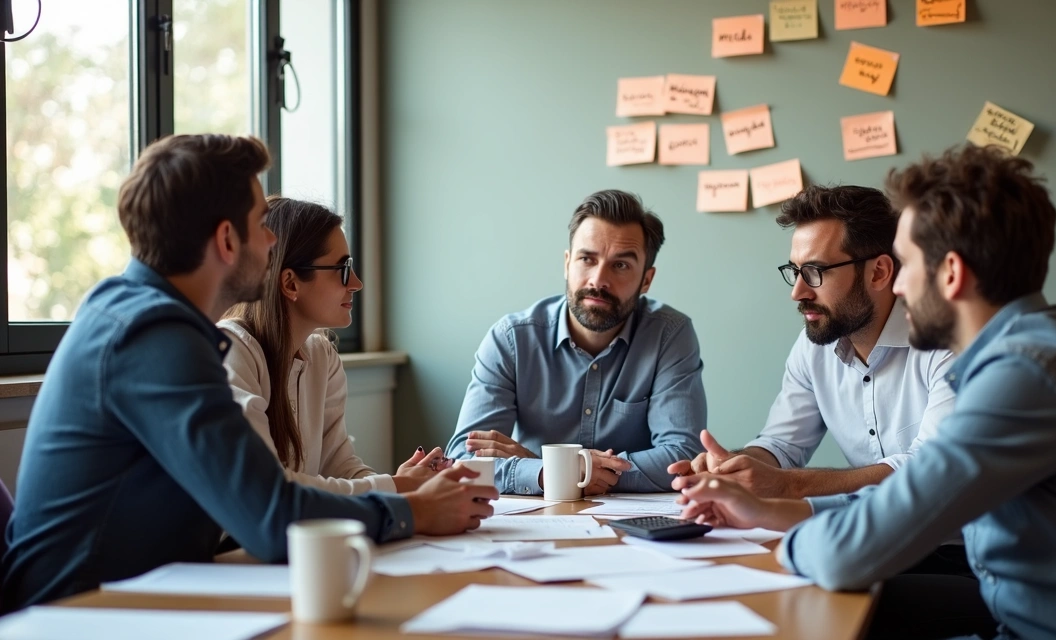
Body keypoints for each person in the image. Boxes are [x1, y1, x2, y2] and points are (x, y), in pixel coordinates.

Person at [677, 145, 1056, 639]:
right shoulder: (1034, 350)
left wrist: (782, 521)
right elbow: (908, 499)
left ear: (950, 273)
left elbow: (850, 552)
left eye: (906, 265)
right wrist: (767, 511)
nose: (899, 286)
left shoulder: (1024, 374)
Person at [1, 134, 495, 613]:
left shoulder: (144, 318)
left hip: (141, 598)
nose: (272, 239)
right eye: (263, 223)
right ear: (226, 239)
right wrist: (415, 511)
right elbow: (270, 516)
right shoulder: (153, 334)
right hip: (80, 615)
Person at [669, 185, 955, 501]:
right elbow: (781, 445)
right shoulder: (814, 346)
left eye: (815, 271)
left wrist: (788, 485)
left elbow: (929, 470)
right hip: (869, 533)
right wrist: (732, 468)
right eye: (795, 271)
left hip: (950, 543)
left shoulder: (945, 342)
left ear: (879, 273)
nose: (798, 292)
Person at [445, 189, 706, 495]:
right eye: (587, 259)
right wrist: (554, 472)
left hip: (636, 530)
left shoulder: (669, 334)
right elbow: (464, 461)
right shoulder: (511, 339)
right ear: (568, 263)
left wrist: (558, 470)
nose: (598, 279)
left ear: (646, 280)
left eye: (620, 265)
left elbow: (682, 457)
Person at [220, 197, 446, 495]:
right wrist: (394, 487)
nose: (356, 283)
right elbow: (267, 488)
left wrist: (406, 487)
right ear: (290, 283)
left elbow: (339, 468)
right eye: (342, 269)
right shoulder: (231, 352)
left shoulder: (322, 355)